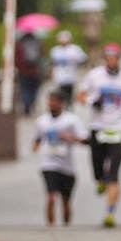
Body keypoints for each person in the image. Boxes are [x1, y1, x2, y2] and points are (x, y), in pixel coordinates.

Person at [76, 42, 121, 228]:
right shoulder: (94, 76)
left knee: (114, 173)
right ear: (105, 59)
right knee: (97, 169)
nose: (112, 61)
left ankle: (109, 213)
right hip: (98, 127)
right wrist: (91, 101)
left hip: (119, 128)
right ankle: (100, 180)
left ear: (119, 59)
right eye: (108, 58)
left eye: (115, 58)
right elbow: (79, 96)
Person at [32, 89, 88, 225]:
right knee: (51, 197)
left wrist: (69, 137)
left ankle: (65, 225)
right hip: (48, 163)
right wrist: (36, 147)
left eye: (54, 101)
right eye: (49, 101)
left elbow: (85, 140)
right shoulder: (42, 121)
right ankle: (51, 226)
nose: (51, 104)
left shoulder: (71, 120)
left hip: (66, 166)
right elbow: (36, 140)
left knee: (65, 200)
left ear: (62, 103)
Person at [49, 30, 88, 104]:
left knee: (69, 96)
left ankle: (68, 108)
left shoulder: (75, 49)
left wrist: (76, 62)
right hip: (59, 78)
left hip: (70, 77)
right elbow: (52, 63)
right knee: (60, 96)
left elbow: (83, 60)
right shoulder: (55, 50)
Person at [15, 31, 44, 116]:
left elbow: (16, 59)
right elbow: (42, 56)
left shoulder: (19, 44)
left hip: (23, 71)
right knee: (34, 88)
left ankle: (26, 104)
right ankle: (31, 102)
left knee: (24, 88)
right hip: (35, 71)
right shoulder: (38, 42)